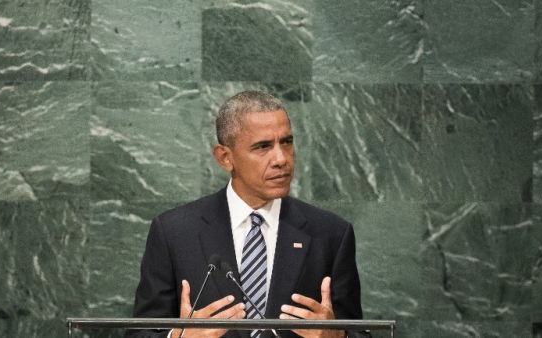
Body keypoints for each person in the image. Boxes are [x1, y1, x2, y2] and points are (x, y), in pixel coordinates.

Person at [126, 91, 364, 338]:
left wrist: (338, 336)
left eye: (287, 142)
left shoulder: (331, 234)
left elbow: (359, 334)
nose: (281, 159)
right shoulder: (174, 232)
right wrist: (179, 337)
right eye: (263, 147)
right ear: (225, 157)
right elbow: (139, 334)